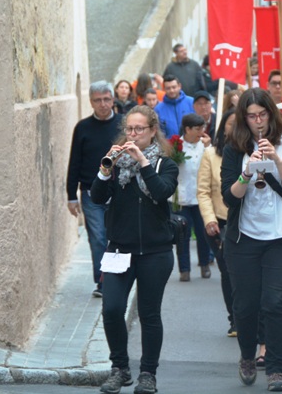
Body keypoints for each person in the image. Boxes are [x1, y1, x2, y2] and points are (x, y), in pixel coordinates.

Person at [220, 88, 282, 392]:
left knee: (275, 303)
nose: (258, 121)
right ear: (244, 118)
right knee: (245, 305)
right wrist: (246, 174)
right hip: (244, 238)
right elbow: (229, 199)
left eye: (263, 114)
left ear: (271, 114)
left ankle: (276, 369)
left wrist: (275, 161)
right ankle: (246, 356)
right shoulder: (233, 148)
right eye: (252, 116)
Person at [91, 105, 178, 394]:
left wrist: (142, 161)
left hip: (156, 251)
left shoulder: (165, 164)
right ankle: (120, 368)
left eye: (139, 129)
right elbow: (97, 196)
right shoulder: (116, 165)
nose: (133, 134)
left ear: (152, 131)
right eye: (129, 129)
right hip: (120, 249)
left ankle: (148, 374)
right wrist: (105, 170)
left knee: (149, 314)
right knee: (112, 309)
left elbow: (162, 192)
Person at [66, 81, 123, 298]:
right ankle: (102, 281)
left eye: (106, 99)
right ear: (91, 102)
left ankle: (117, 277)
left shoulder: (122, 125)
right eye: (98, 100)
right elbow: (74, 162)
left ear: (112, 99)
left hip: (119, 191)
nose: (103, 104)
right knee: (98, 237)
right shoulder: (82, 128)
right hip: (91, 193)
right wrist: (71, 196)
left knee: (115, 235)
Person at [198, 109, 238, 336]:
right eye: (230, 124)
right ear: (223, 127)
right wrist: (209, 219)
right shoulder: (211, 155)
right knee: (228, 271)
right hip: (220, 223)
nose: (234, 128)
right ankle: (235, 319)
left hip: (247, 221)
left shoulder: (253, 152)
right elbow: (203, 192)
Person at [174, 113, 212, 282]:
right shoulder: (176, 146)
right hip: (182, 197)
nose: (200, 132)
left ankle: (204, 264)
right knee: (182, 235)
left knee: (203, 234)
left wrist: (208, 147)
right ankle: (184, 269)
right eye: (197, 129)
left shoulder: (206, 147)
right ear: (187, 129)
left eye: (202, 128)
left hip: (201, 198)